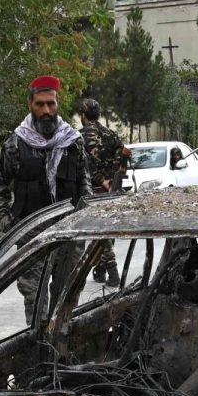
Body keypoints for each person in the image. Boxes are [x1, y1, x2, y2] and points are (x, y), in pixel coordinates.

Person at [0, 75, 88, 316]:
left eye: (51, 104)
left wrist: (87, 222)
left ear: (58, 104)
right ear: (30, 105)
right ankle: (39, 351)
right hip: (32, 237)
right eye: (40, 104)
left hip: (70, 235)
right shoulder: (15, 144)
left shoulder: (73, 142)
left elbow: (85, 186)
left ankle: (60, 350)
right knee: (35, 303)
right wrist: (9, 226)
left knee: (67, 299)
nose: (46, 110)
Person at [77, 97, 128, 284]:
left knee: (99, 232)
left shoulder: (78, 137)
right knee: (105, 231)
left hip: (90, 191)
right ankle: (99, 270)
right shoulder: (112, 135)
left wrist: (100, 180)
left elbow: (81, 167)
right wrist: (113, 181)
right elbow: (123, 161)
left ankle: (112, 272)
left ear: (83, 116)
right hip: (111, 191)